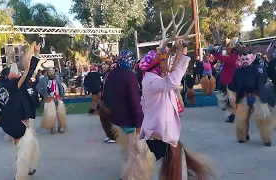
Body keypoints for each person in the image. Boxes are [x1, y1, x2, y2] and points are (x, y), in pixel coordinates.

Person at [139, 39, 213, 179]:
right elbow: (172, 81)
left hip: (163, 135)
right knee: (158, 172)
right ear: (155, 65)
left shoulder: (157, 79)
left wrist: (182, 51)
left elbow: (172, 76)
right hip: (157, 137)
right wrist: (181, 54)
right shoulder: (150, 81)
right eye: (164, 61)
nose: (167, 63)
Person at [0, 42, 40, 179]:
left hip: (8, 123)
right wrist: (34, 54)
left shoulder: (1, 88)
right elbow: (28, 70)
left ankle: (26, 168)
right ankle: (20, 173)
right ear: (14, 75)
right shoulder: (15, 84)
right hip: (17, 122)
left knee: (23, 145)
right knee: (24, 148)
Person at [102, 50, 145, 180]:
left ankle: (131, 173)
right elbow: (135, 102)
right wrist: (139, 123)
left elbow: (106, 99)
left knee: (125, 151)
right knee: (134, 152)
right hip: (130, 121)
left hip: (117, 121)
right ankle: (125, 177)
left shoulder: (111, 75)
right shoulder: (130, 76)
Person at [233, 46, 273, 146]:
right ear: (240, 59)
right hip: (244, 96)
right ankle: (243, 135)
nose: (245, 61)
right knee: (241, 118)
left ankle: (266, 137)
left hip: (257, 95)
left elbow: (263, 81)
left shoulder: (259, 69)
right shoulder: (238, 72)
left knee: (263, 117)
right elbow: (235, 84)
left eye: (247, 59)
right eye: (243, 59)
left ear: (252, 58)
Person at [211, 42, 239, 123]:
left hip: (231, 81)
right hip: (229, 81)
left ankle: (233, 116)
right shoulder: (234, 57)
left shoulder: (233, 58)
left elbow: (221, 57)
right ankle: (232, 114)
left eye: (229, 49)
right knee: (231, 100)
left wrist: (214, 51)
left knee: (232, 100)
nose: (227, 50)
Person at [36, 64, 67, 134]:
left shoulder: (57, 77)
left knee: (61, 113)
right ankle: (52, 127)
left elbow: (65, 71)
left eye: (52, 72)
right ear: (47, 72)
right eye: (49, 72)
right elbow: (37, 87)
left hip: (58, 97)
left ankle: (60, 126)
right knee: (50, 114)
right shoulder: (42, 79)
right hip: (49, 98)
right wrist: (43, 94)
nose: (51, 73)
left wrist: (60, 65)